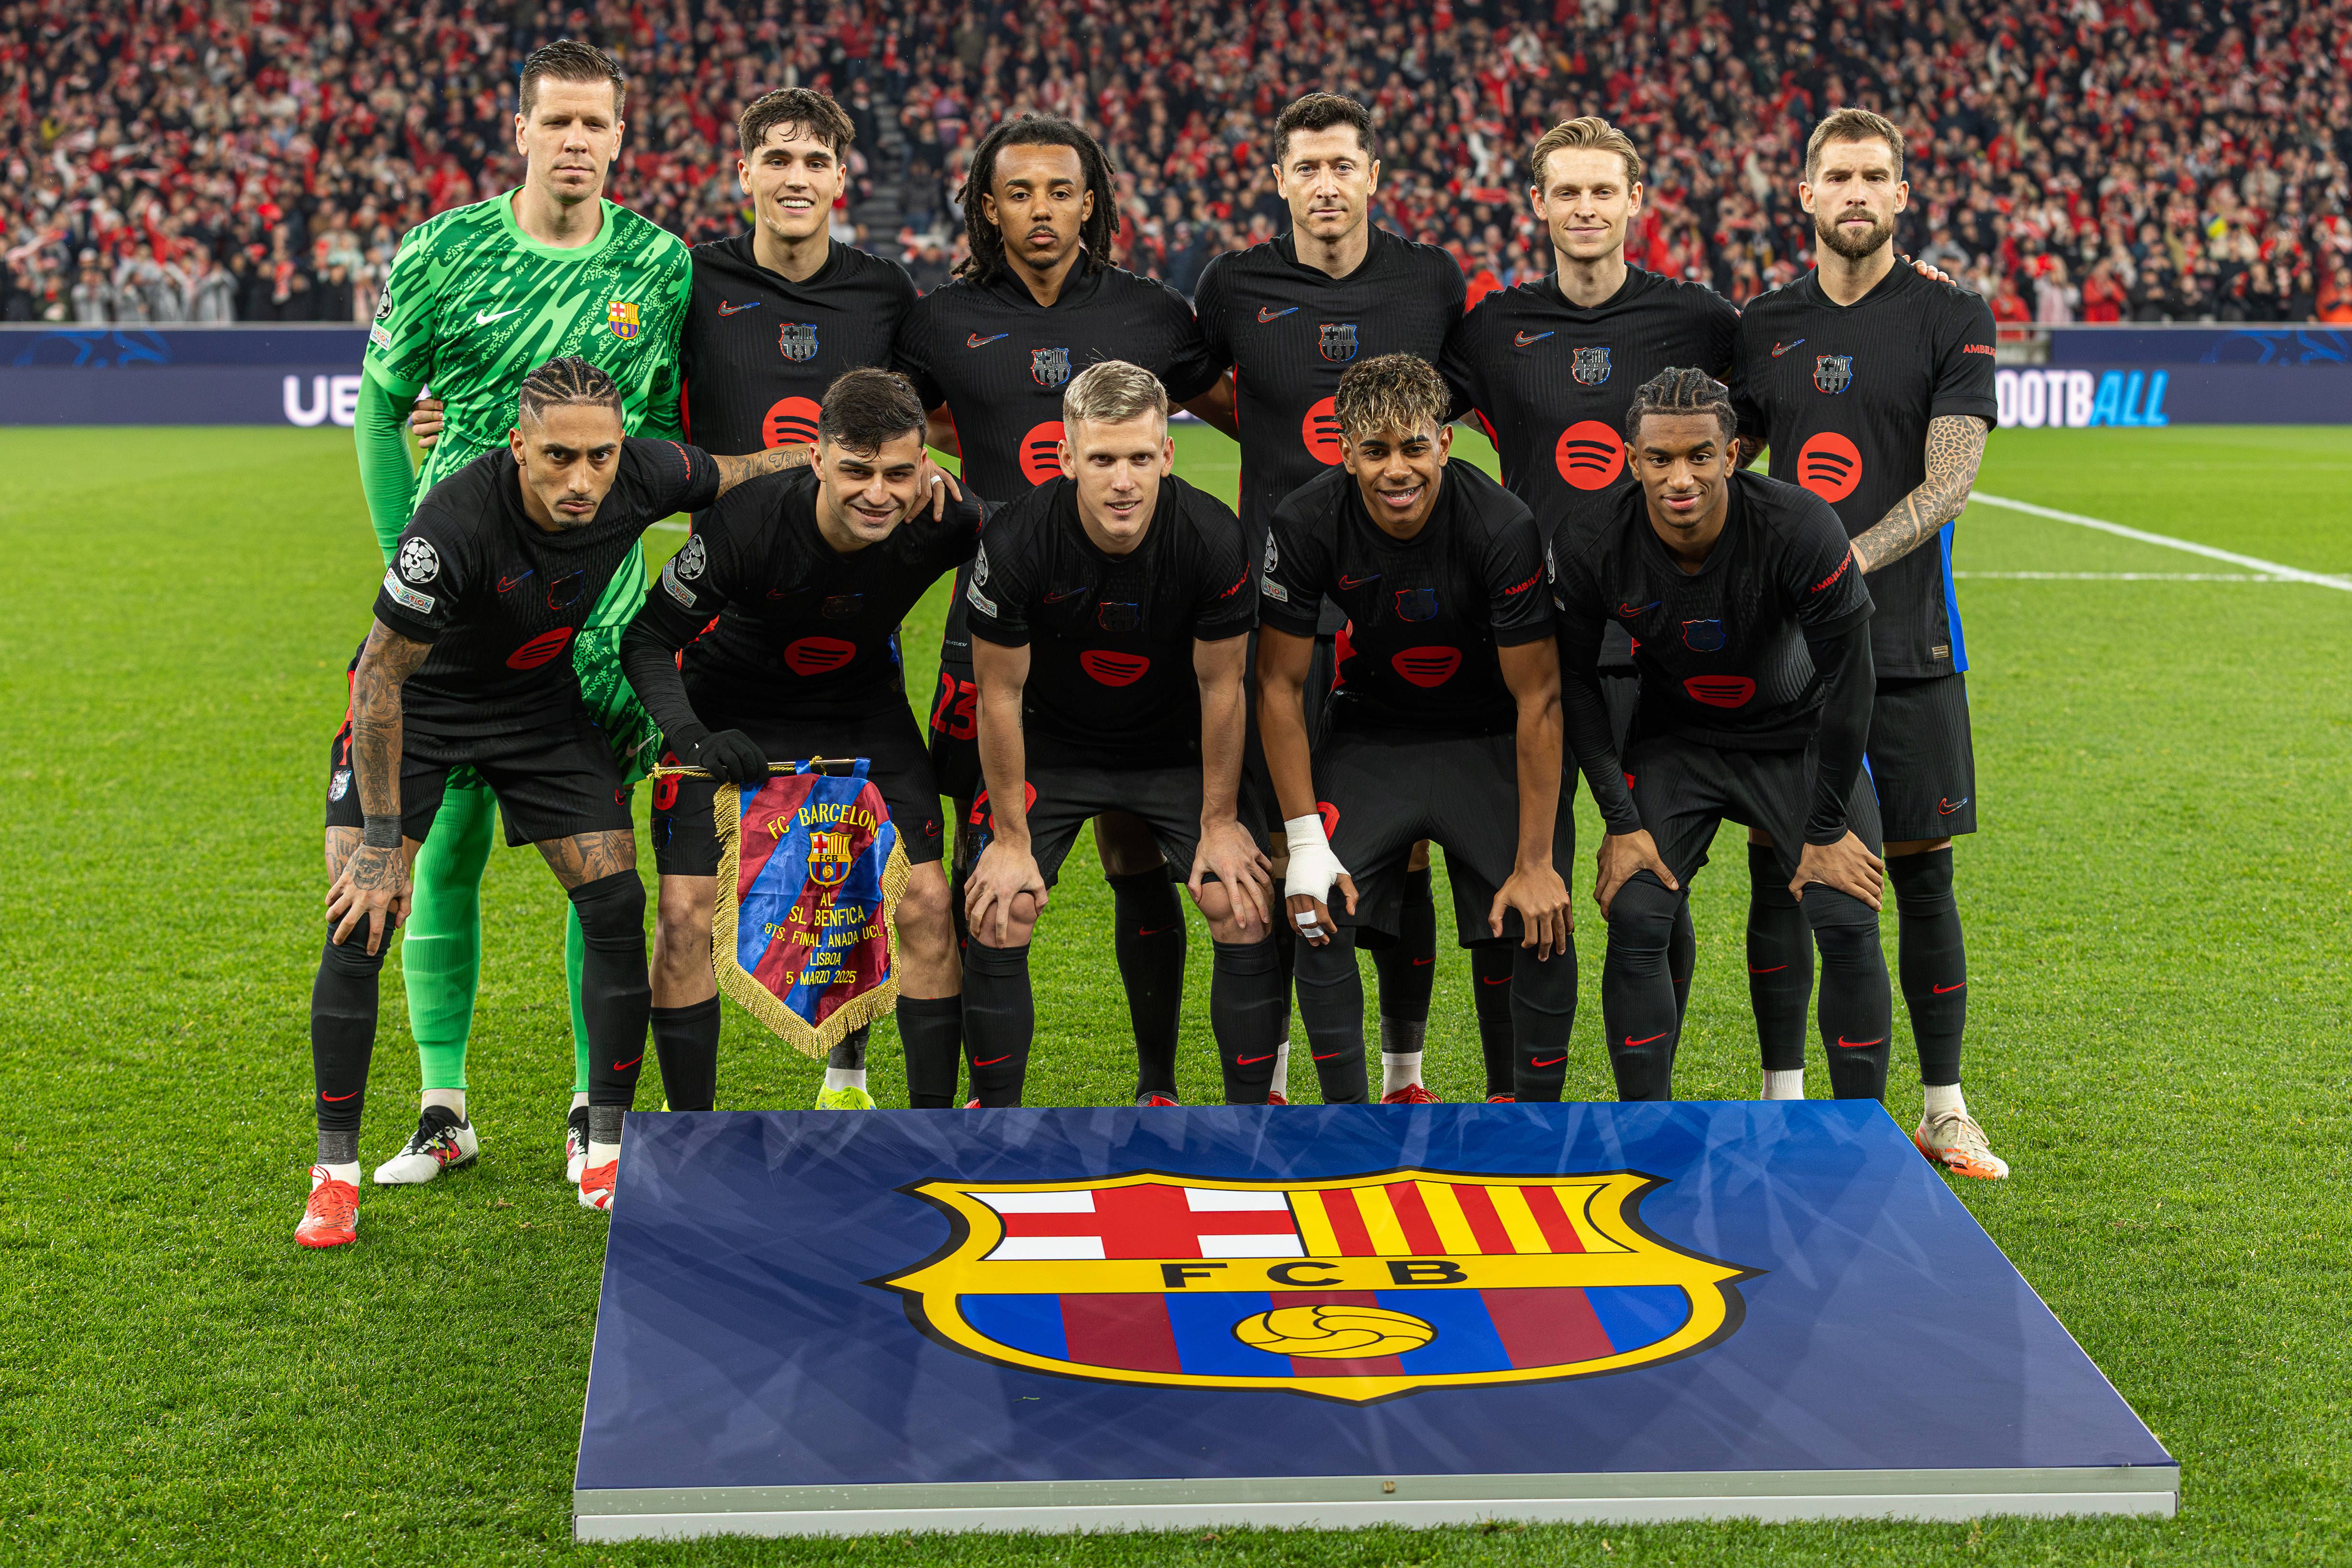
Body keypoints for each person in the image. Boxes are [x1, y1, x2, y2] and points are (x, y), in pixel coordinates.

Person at [299, 357, 793, 1247]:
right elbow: (377, 679)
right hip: (421, 712)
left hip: (537, 709)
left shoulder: (640, 474)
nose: (583, 480)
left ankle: (606, 1147)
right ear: (518, 446)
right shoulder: (450, 523)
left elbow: (739, 471)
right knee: (359, 919)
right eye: (559, 456)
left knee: (615, 905)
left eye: (601, 456)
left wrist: (835, 460)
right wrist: (378, 840)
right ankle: (334, 1178)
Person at [353, 40, 694, 1191]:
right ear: (521, 131)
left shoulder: (657, 264)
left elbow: (657, 433)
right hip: (457, 622)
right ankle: (441, 1109)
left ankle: (592, 1111)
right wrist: (408, 563)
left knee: (592, 862)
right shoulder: (441, 249)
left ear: (619, 137)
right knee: (442, 849)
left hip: (591, 625)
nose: (577, 141)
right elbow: (382, 407)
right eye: (558, 122)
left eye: (596, 124)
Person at [892, 113, 1234, 1108]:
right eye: (1018, 193)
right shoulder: (941, 320)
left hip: (1132, 634)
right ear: (986, 207)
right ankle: (984, 1102)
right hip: (994, 628)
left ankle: (1158, 1083)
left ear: (1092, 202)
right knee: (985, 857)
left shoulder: (1151, 314)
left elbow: (1250, 418)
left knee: (1135, 850)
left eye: (1059, 191)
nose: (1039, 210)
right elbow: (911, 423)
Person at [1440, 115, 1738, 1100]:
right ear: (1537, 204)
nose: (1584, 208)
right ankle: (1522, 1101)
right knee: (1524, 868)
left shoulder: (1698, 320)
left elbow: (1770, 400)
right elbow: (1397, 411)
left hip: (1653, 643)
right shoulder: (1492, 327)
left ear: (1634, 201)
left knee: (1652, 878)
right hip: (1525, 636)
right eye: (1565, 191)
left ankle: (1647, 1103)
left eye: (1602, 190)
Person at [1730, 108, 2005, 1177]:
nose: (1855, 192)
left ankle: (1944, 1110)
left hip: (1909, 646)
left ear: (1900, 194)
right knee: (1781, 870)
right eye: (1836, 176)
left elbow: (1950, 482)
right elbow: (1721, 458)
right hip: (1787, 656)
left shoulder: (1950, 313)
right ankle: (1782, 1103)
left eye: (1873, 176)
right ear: (1804, 195)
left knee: (1923, 875)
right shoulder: (1761, 323)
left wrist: (1840, 560)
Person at [1192, 91, 1467, 1107]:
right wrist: (1272, 435)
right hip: (1279, 606)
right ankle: (1268, 1081)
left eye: (1342, 165)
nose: (1324, 185)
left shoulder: (1429, 280)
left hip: (1401, 606)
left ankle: (1402, 1075)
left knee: (1404, 846)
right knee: (1278, 846)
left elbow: (1451, 401)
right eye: (1305, 168)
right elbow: (1198, 385)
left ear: (1373, 176)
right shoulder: (1233, 284)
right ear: (1279, 180)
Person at [619, 369, 978, 1113]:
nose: (877, 493)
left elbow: (1037, 541)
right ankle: (693, 1134)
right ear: (816, 458)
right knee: (683, 914)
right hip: (731, 710)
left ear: (924, 466)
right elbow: (649, 639)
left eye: (897, 474)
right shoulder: (748, 522)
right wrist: (694, 739)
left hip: (860, 707)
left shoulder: (947, 518)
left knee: (927, 903)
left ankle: (935, 1132)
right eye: (856, 471)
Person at [1552, 366, 1891, 1105]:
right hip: (1678, 741)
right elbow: (1573, 683)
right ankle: (1647, 1131)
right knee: (1636, 909)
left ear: (1732, 455)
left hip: (1796, 738)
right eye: (1661, 458)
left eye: (1699, 455)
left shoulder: (1801, 526)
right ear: (1631, 459)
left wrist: (1826, 829)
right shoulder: (1589, 539)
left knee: (1843, 909)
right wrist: (1620, 822)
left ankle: (1857, 1136)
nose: (1680, 478)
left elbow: (1851, 680)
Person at [958, 361, 1280, 1106]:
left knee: (1238, 900)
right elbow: (999, 695)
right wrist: (1009, 839)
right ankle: (993, 1127)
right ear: (1067, 457)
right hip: (1052, 745)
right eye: (1102, 459)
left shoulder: (1211, 537)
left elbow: (1222, 686)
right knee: (1002, 906)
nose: (1123, 482)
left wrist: (1220, 821)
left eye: (1140, 457)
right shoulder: (1016, 540)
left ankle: (1237, 1122)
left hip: (1173, 746)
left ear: (1168, 454)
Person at [1259, 354, 1574, 1106]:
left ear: (1444, 443)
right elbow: (1277, 685)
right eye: (1374, 451)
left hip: (1489, 732)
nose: (1396, 470)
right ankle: (1347, 1125)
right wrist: (1303, 842)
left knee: (1537, 912)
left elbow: (1538, 697)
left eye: (1413, 447)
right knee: (1316, 902)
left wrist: (1535, 860)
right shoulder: (1304, 521)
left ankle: (1522, 1121)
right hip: (1373, 729)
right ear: (1345, 453)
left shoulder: (1501, 525)